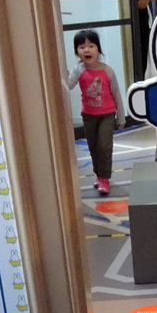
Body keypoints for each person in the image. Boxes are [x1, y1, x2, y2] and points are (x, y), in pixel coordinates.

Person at [65, 29, 123, 196]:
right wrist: (63, 74)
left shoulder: (107, 71)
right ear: (77, 52)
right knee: (93, 147)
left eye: (91, 46)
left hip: (107, 114)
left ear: (98, 49)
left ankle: (105, 178)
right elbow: (68, 86)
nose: (87, 50)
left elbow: (116, 94)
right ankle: (99, 175)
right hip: (89, 116)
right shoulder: (78, 70)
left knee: (104, 146)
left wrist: (120, 116)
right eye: (82, 47)